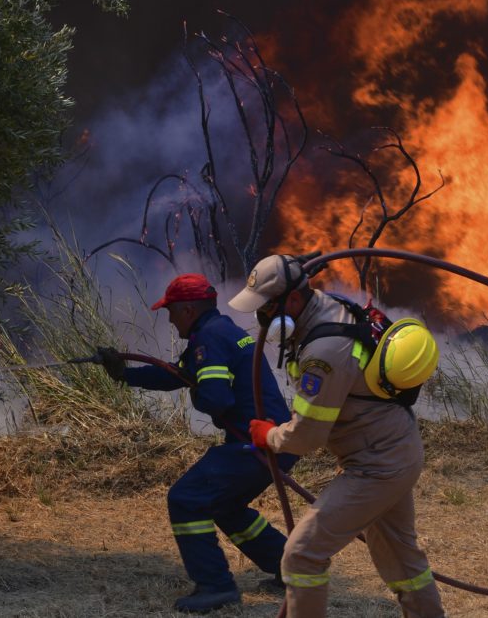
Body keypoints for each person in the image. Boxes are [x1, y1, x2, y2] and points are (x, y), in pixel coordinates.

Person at [229, 254, 446, 617]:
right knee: (402, 560)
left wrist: (270, 436)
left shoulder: (325, 351)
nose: (261, 318)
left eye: (266, 308)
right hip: (392, 452)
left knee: (301, 555)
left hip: (378, 464)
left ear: (293, 300)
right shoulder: (325, 310)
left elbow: (308, 436)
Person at [97, 273, 298, 613]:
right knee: (225, 506)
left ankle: (216, 586)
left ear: (188, 309)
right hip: (271, 441)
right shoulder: (222, 332)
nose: (170, 319)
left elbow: (216, 399)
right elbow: (174, 374)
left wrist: (198, 391)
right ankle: (290, 569)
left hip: (254, 444)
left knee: (187, 498)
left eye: (171, 311)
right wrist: (123, 374)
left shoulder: (209, 340)